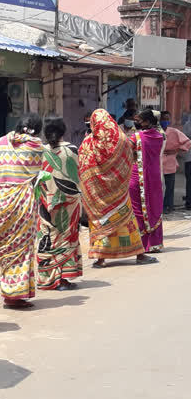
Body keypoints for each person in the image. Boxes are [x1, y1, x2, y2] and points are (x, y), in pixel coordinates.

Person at [78, 110, 158, 267]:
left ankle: (100, 258)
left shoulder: (88, 143)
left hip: (98, 197)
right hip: (119, 193)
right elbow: (132, 158)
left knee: (101, 223)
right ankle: (139, 255)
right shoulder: (121, 139)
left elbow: (83, 165)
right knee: (127, 222)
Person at [0, 113, 44, 309]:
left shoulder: (0, 141)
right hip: (21, 200)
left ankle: (10, 289)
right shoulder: (36, 145)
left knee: (7, 247)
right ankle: (15, 294)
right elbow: (36, 172)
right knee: (21, 248)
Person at [36, 116, 83, 291]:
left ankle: (47, 277)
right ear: (63, 131)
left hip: (46, 201)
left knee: (48, 236)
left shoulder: (40, 151)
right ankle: (63, 278)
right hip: (69, 201)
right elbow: (78, 174)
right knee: (66, 237)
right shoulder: (72, 149)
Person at [130, 110, 166, 252]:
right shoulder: (159, 136)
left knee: (138, 209)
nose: (137, 122)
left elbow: (128, 151)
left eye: (139, 120)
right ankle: (155, 243)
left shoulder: (136, 137)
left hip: (137, 177)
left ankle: (143, 244)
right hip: (154, 176)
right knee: (155, 206)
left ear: (146, 121)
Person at [159, 111, 191, 213]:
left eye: (167, 119)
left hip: (170, 161)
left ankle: (169, 205)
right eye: (163, 119)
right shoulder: (155, 132)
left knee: (170, 186)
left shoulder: (174, 132)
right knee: (158, 187)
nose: (165, 121)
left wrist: (178, 149)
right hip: (157, 162)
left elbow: (187, 142)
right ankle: (159, 205)